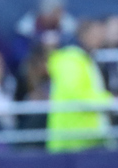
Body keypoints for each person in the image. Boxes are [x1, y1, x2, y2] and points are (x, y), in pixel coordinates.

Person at [46, 18, 113, 152]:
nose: (101, 38)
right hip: (72, 141)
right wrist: (108, 100)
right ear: (85, 35)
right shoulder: (71, 59)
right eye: (97, 34)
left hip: (86, 139)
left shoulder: (84, 59)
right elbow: (75, 94)